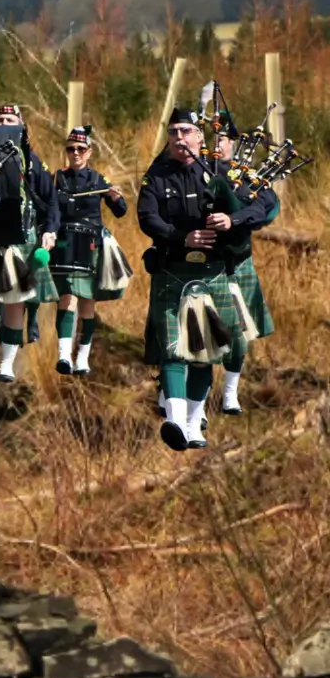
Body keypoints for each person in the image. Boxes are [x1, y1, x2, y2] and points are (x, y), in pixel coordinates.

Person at [137, 105, 265, 451]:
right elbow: (147, 218)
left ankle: (195, 425)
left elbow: (263, 204)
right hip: (172, 269)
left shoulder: (222, 172)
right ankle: (176, 422)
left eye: (186, 132)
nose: (180, 138)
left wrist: (232, 220)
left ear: (199, 136)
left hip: (212, 272)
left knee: (206, 353)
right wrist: (182, 237)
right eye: (174, 132)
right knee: (174, 351)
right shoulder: (156, 175)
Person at [0, 104, 60, 382]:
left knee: (15, 301)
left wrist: (51, 230)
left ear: (20, 124)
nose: (4, 124)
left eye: (10, 120)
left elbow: (51, 202)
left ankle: (6, 364)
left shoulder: (31, 160)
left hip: (21, 237)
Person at [212, 109, 279, 415]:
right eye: (211, 137)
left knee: (237, 332)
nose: (217, 143)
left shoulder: (246, 176)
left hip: (237, 263)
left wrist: (235, 217)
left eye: (222, 138)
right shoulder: (192, 170)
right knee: (193, 331)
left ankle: (229, 392)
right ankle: (178, 395)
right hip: (201, 265)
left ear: (233, 143)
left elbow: (264, 208)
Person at [48, 126, 129, 375]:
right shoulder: (57, 178)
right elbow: (51, 210)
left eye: (80, 149)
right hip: (64, 243)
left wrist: (116, 198)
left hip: (91, 242)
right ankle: (63, 355)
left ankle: (82, 356)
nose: (75, 153)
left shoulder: (98, 180)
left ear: (89, 152)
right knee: (67, 295)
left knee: (87, 303)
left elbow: (121, 211)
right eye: (71, 149)